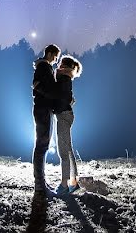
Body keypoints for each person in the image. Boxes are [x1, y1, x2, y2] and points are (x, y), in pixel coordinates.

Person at [32, 44, 61, 194]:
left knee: (43, 145)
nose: (56, 60)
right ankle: (40, 184)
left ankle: (41, 182)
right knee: (42, 145)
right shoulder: (43, 67)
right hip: (43, 109)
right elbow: (36, 85)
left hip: (44, 108)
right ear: (50, 53)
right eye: (55, 56)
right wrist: (52, 95)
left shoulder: (45, 67)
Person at [53, 55, 82, 195]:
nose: (58, 65)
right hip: (65, 114)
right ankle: (73, 182)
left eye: (60, 63)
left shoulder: (62, 78)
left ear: (64, 65)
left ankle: (64, 185)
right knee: (68, 150)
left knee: (63, 152)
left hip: (63, 115)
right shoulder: (65, 78)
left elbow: (61, 96)